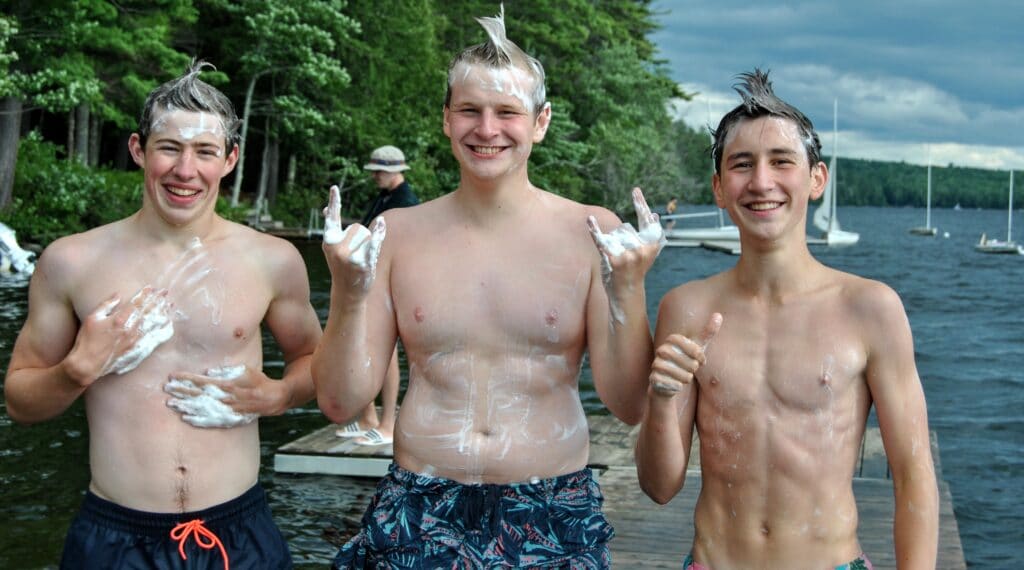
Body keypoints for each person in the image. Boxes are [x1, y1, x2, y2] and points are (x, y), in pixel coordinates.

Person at [313, 6, 664, 568]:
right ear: (446, 119)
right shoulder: (396, 235)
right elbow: (338, 402)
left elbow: (626, 404)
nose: (487, 129)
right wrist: (347, 292)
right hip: (419, 505)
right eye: (469, 111)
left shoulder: (593, 233)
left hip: (551, 506)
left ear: (541, 121)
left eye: (507, 111)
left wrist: (628, 290)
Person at [3, 61, 323, 569]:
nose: (185, 170)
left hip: (237, 533)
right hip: (114, 536)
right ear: (138, 150)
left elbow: (312, 358)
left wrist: (281, 393)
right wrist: (76, 371)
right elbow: (20, 400)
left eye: (204, 152)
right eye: (169, 148)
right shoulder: (71, 261)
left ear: (231, 159)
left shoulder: (272, 260)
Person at [635, 69, 938, 569]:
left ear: (816, 178)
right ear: (717, 187)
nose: (761, 182)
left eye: (781, 162)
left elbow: (913, 474)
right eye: (741, 165)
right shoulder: (685, 307)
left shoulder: (869, 308)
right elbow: (659, 486)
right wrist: (662, 399)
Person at [334, 145, 420, 447]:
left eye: (379, 172)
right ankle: (369, 416)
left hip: (392, 283)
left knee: (387, 352)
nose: (375, 177)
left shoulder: (404, 202)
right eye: (374, 172)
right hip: (372, 281)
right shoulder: (384, 198)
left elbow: (404, 248)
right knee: (365, 347)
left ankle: (388, 422)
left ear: (396, 171)